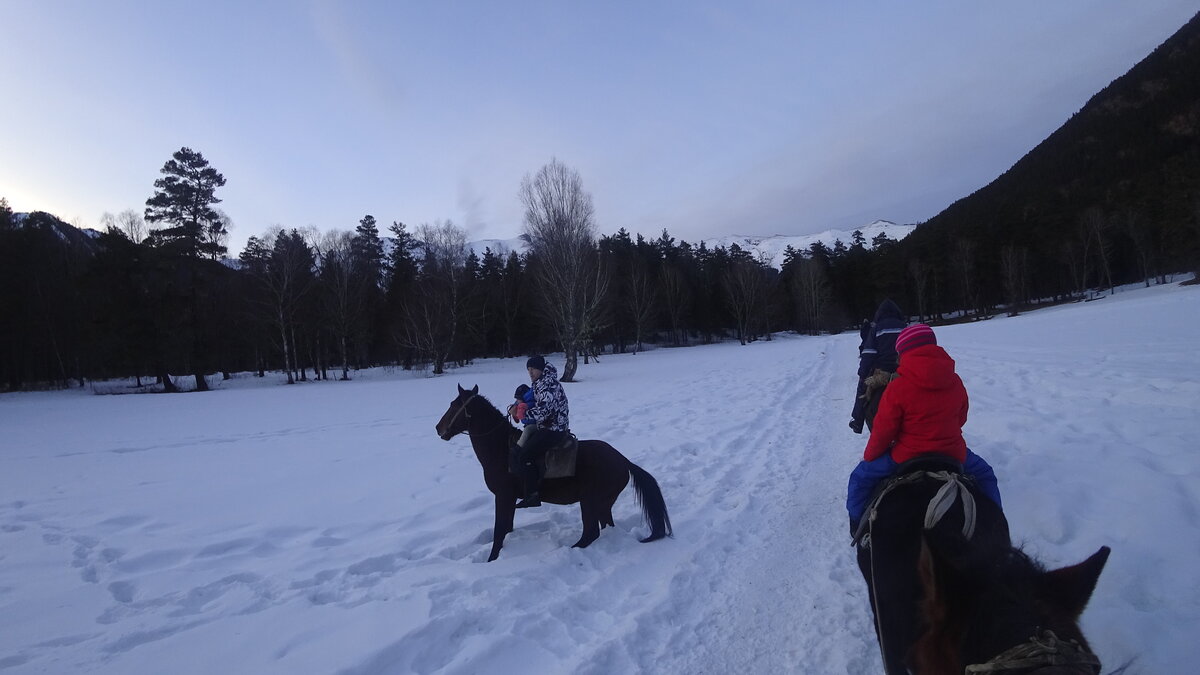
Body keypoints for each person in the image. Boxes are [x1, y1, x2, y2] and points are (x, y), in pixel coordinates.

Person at [846, 324, 1002, 532]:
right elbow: (961, 418)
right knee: (985, 474)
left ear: (902, 353)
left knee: (860, 478)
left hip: (906, 456)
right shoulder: (955, 381)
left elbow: (884, 431)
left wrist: (870, 456)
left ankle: (857, 525)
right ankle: (996, 522)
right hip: (953, 453)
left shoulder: (898, 387)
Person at [514, 355, 570, 508]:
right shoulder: (540, 382)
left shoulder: (547, 384)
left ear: (541, 369)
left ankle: (532, 495)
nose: (530, 373)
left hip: (554, 428)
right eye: (528, 370)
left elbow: (544, 411)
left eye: (533, 369)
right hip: (546, 426)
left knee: (525, 455)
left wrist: (524, 414)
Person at [850, 299, 906, 434]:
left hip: (881, 372)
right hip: (903, 370)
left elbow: (868, 354)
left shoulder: (876, 329)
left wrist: (862, 373)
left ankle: (857, 420)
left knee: (862, 389)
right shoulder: (905, 327)